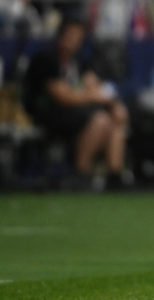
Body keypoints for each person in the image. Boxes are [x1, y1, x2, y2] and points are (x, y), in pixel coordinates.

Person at [22, 16, 130, 190]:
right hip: (47, 111)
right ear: (61, 35)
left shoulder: (78, 61)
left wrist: (114, 105)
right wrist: (92, 96)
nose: (72, 40)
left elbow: (97, 86)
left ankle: (115, 176)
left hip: (75, 112)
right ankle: (80, 173)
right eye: (69, 35)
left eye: (77, 36)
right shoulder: (47, 58)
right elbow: (63, 97)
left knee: (116, 119)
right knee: (100, 120)